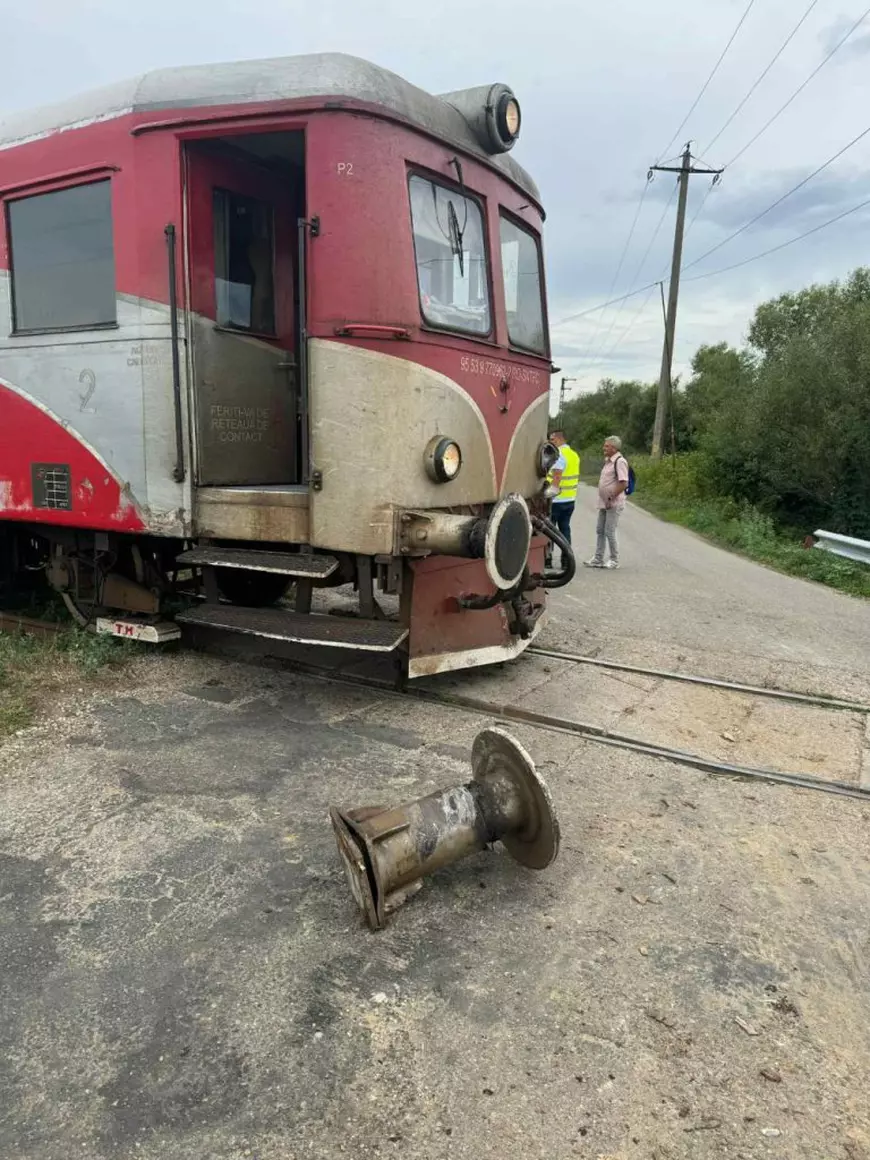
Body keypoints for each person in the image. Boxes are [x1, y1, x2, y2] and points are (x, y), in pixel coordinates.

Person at [584, 435, 629, 569]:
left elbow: (623, 483)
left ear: (614, 448)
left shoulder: (619, 462)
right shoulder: (608, 461)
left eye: (607, 446)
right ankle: (598, 558)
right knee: (600, 530)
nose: (604, 448)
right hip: (604, 502)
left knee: (609, 531)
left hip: (613, 503)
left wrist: (611, 496)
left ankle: (614, 560)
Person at [546, 429, 580, 567]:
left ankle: (547, 559)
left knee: (549, 530)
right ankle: (566, 560)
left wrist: (550, 492)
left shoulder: (559, 455)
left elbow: (557, 475)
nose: (550, 442)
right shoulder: (574, 455)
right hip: (570, 499)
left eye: (552, 440)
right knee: (565, 529)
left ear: (560, 439)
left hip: (556, 500)